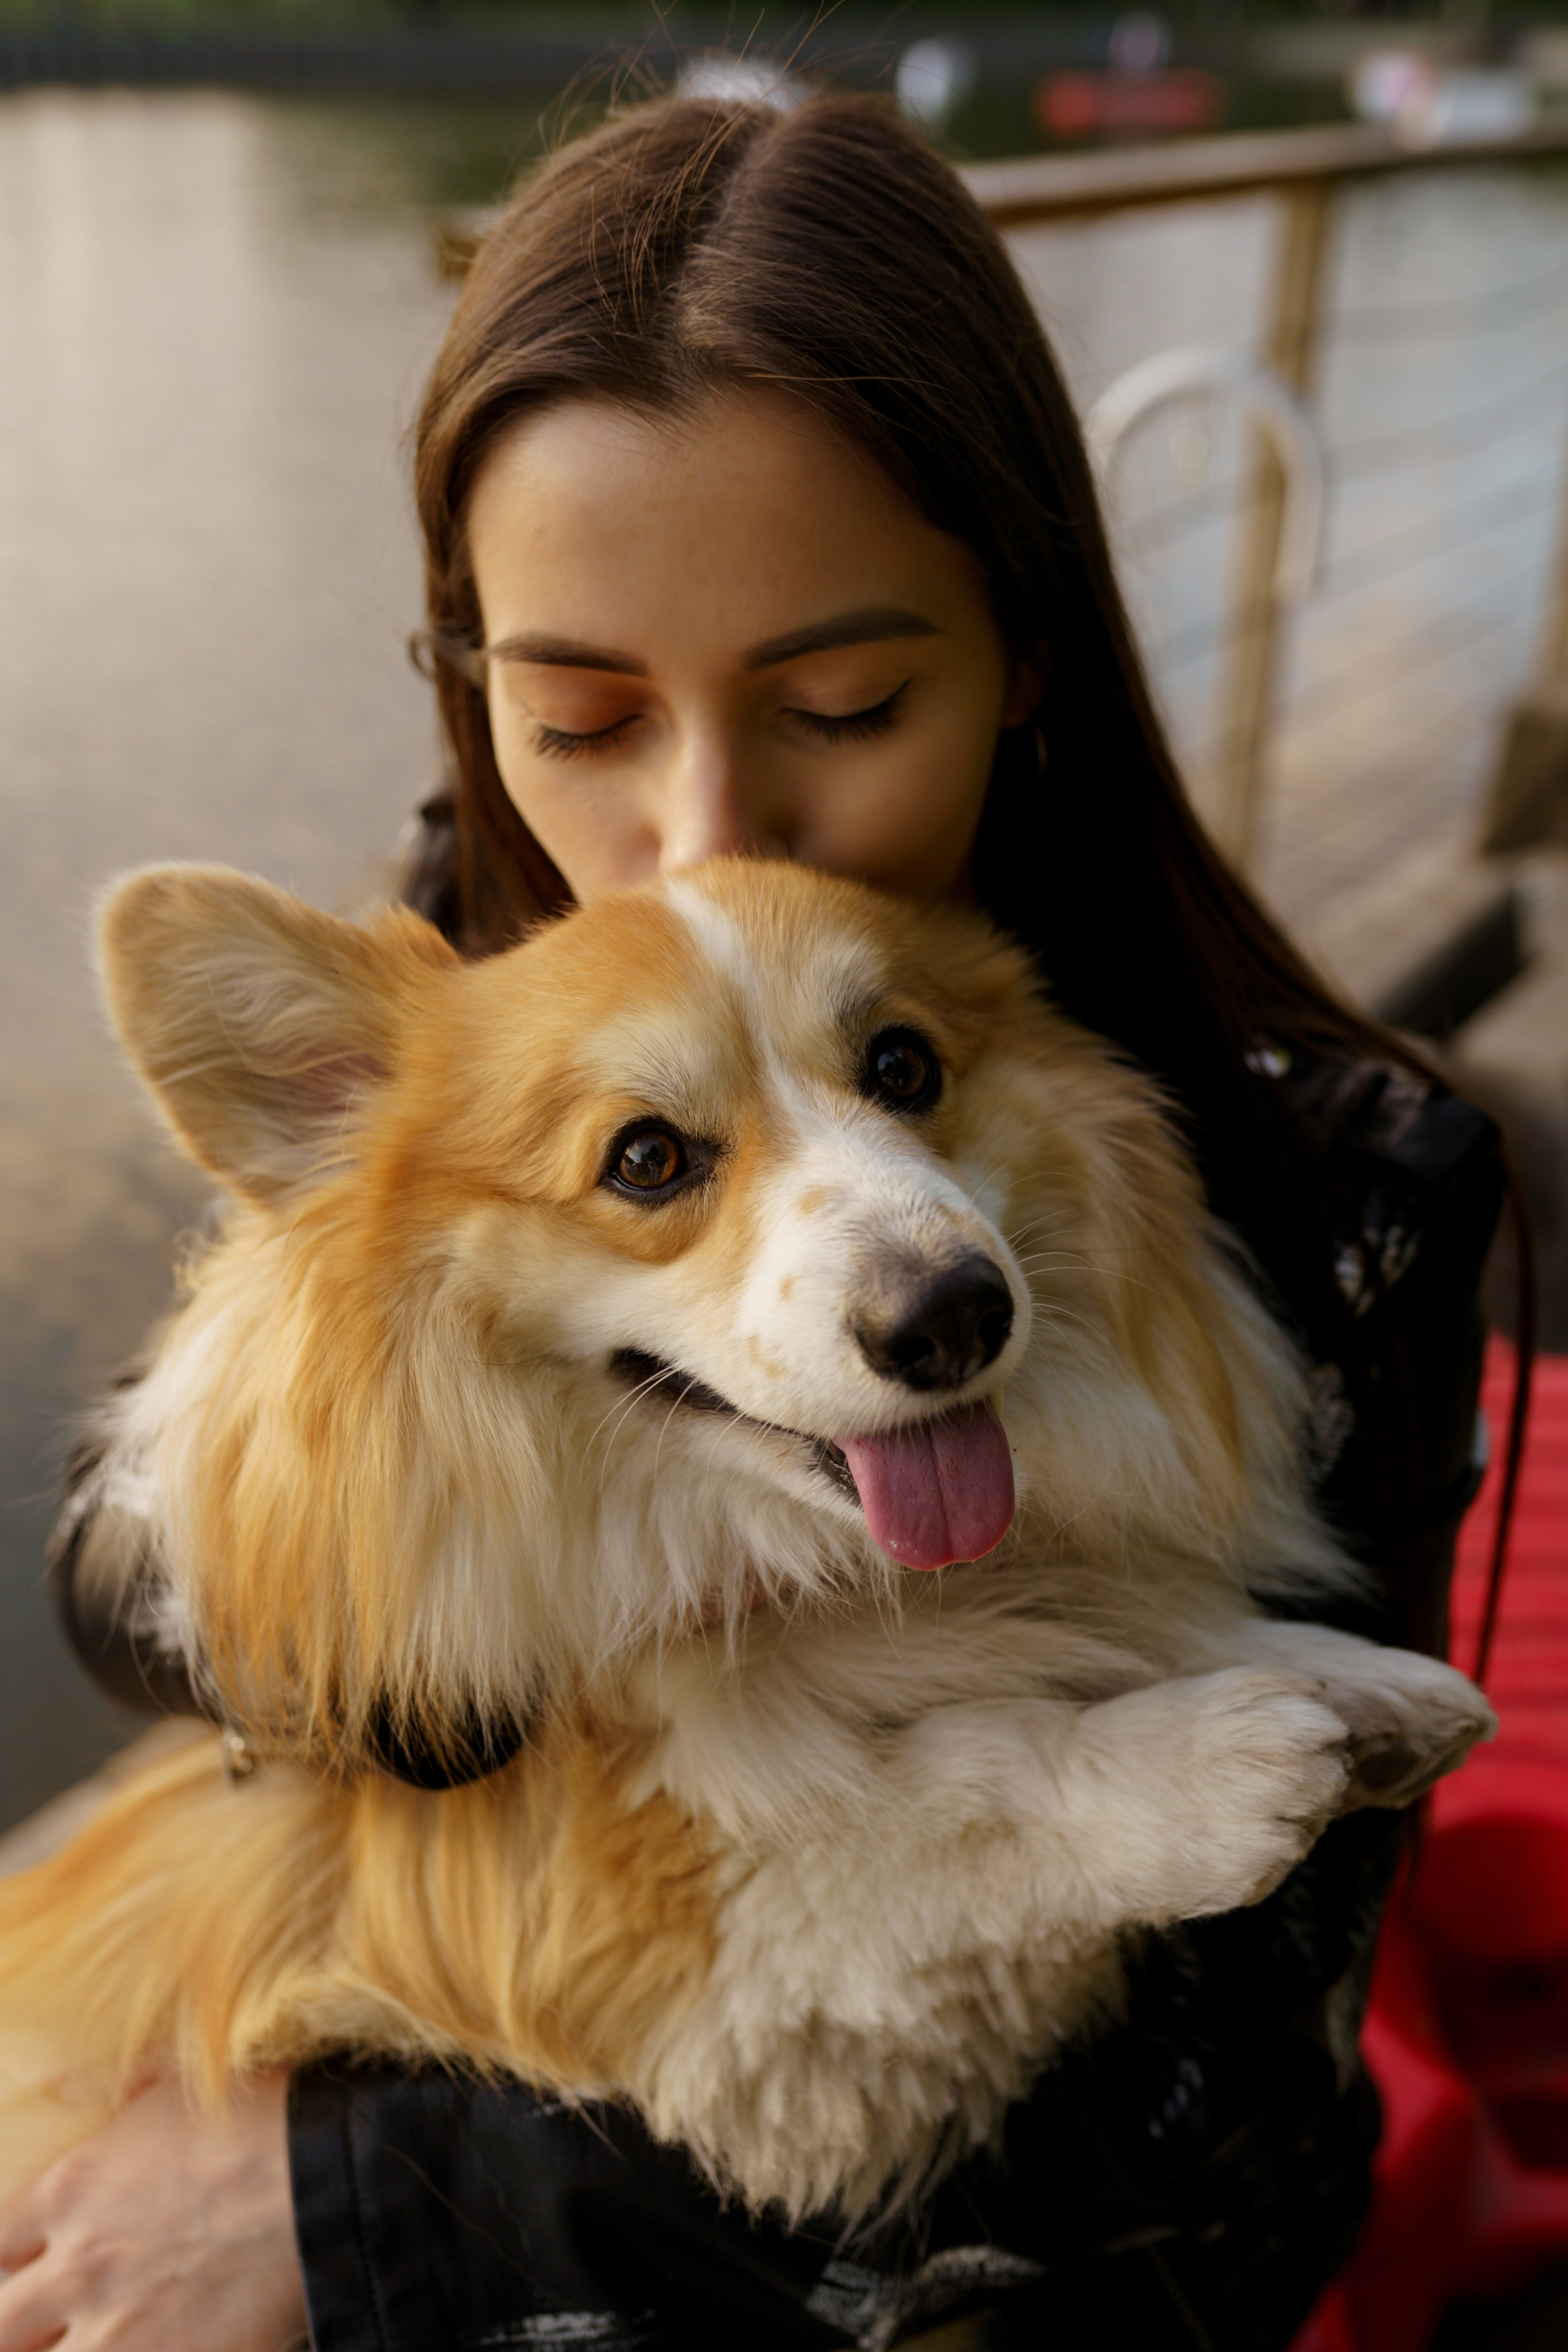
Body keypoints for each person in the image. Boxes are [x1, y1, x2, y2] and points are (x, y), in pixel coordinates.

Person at [2, 89, 1503, 2352]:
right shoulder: (456, 983)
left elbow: (1211, 2103)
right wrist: (437, 1662)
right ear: (476, 684)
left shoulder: (1351, 1185)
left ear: (1028, 644)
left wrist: (352, 2217)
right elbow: (115, 1577)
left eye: (843, 702)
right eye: (581, 714)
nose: (703, 828)